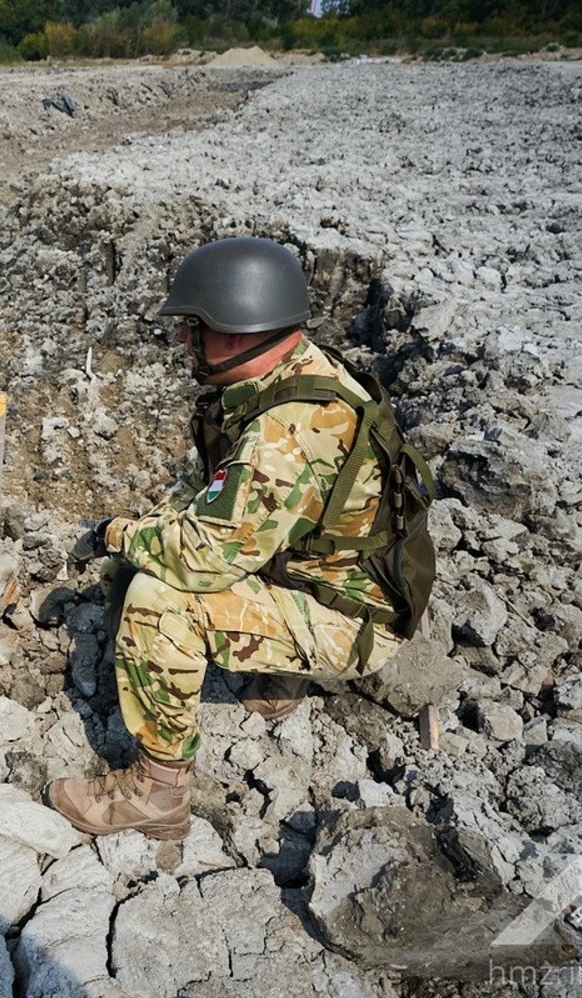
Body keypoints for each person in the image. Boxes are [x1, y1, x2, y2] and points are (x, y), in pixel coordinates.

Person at [45, 236, 434, 841]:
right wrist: (147, 530)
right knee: (158, 555)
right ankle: (280, 680)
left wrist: (114, 535)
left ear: (234, 327)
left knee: (154, 601)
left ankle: (157, 793)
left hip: (346, 616)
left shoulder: (288, 432)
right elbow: (201, 495)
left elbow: (202, 558)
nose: (183, 340)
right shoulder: (290, 374)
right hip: (330, 579)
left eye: (194, 326)